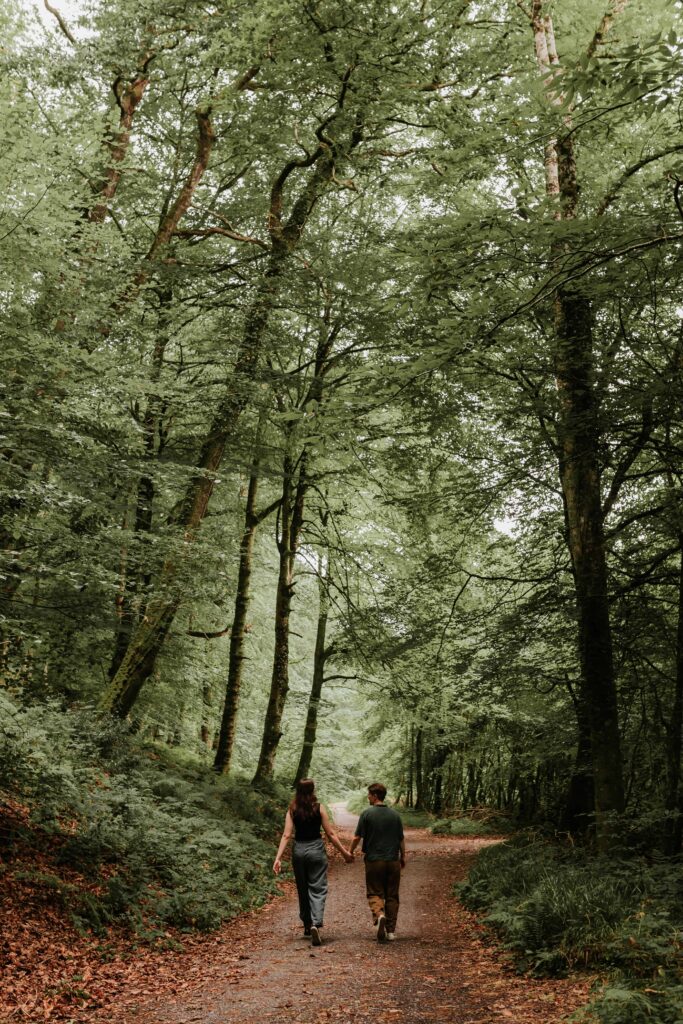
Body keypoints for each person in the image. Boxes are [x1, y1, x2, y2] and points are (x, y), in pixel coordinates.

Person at [273, 778, 353, 946]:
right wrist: (345, 853)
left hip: (299, 851)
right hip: (316, 849)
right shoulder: (319, 808)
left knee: (303, 888)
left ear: (298, 790)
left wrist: (278, 858)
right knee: (318, 887)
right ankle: (316, 922)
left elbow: (286, 835)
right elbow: (331, 834)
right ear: (313, 790)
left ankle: (308, 926)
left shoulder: (292, 809)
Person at [349, 782, 405, 942]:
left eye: (369, 794)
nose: (368, 797)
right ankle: (391, 931)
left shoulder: (367, 814)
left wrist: (350, 852)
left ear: (374, 796)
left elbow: (357, 837)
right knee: (392, 895)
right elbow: (401, 839)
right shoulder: (395, 815)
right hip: (393, 860)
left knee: (375, 892)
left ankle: (380, 915)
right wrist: (403, 857)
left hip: (374, 861)